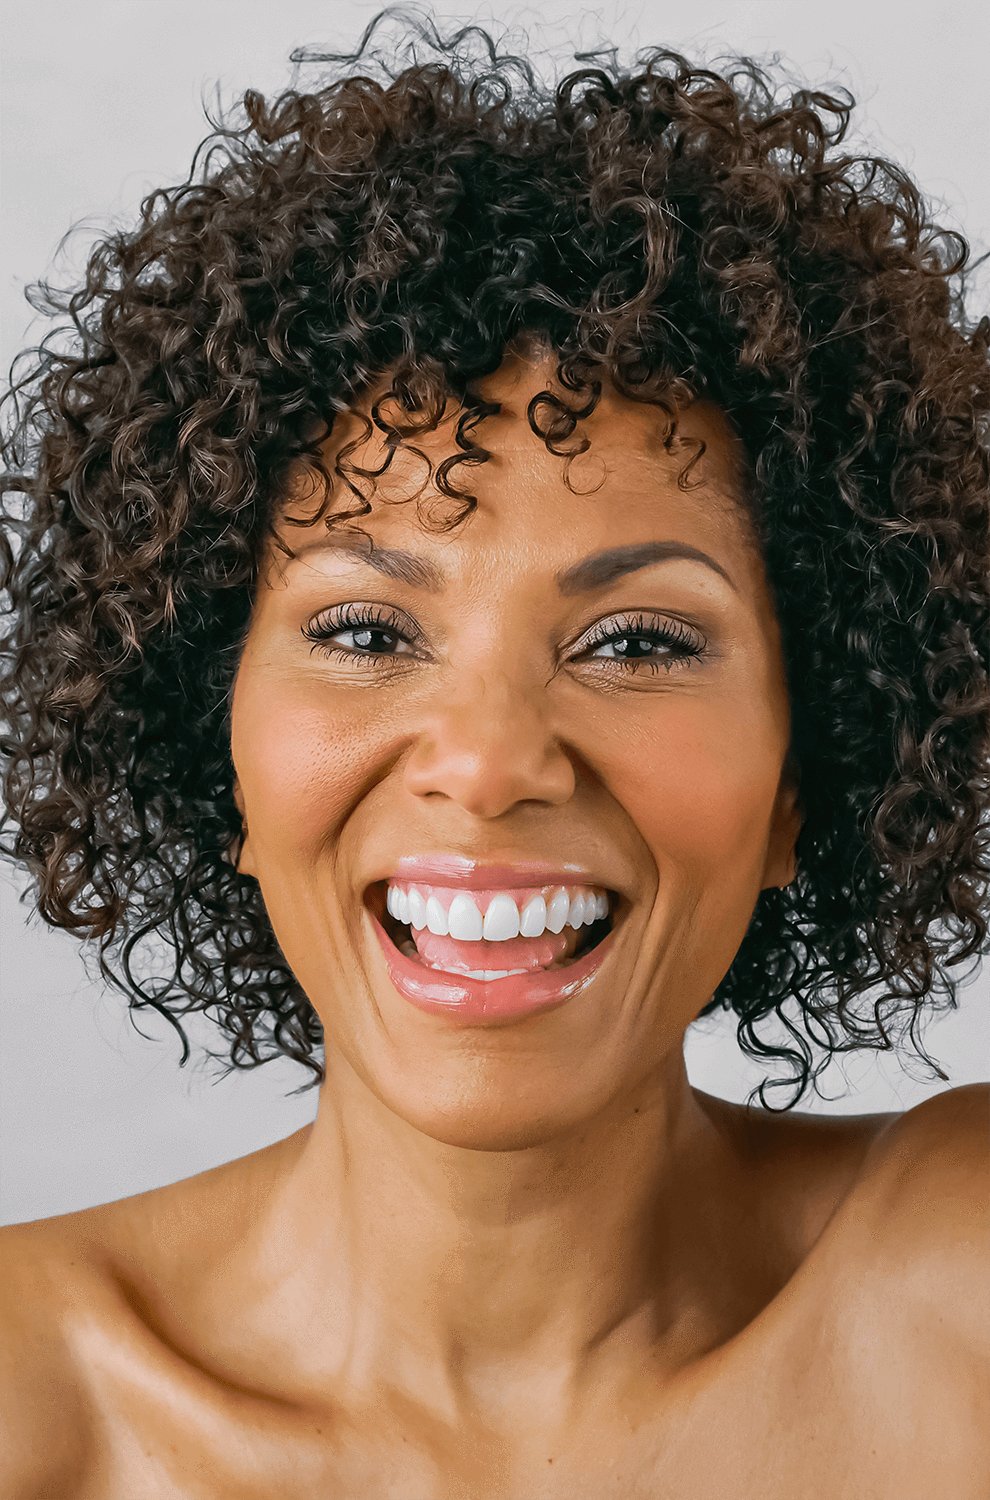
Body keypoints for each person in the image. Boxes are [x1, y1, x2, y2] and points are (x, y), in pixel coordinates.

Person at [0, 10, 987, 1495]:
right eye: (366, 633)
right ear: (218, 755)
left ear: (811, 776)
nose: (488, 759)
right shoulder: (32, 1405)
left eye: (640, 642)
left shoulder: (957, 1289)